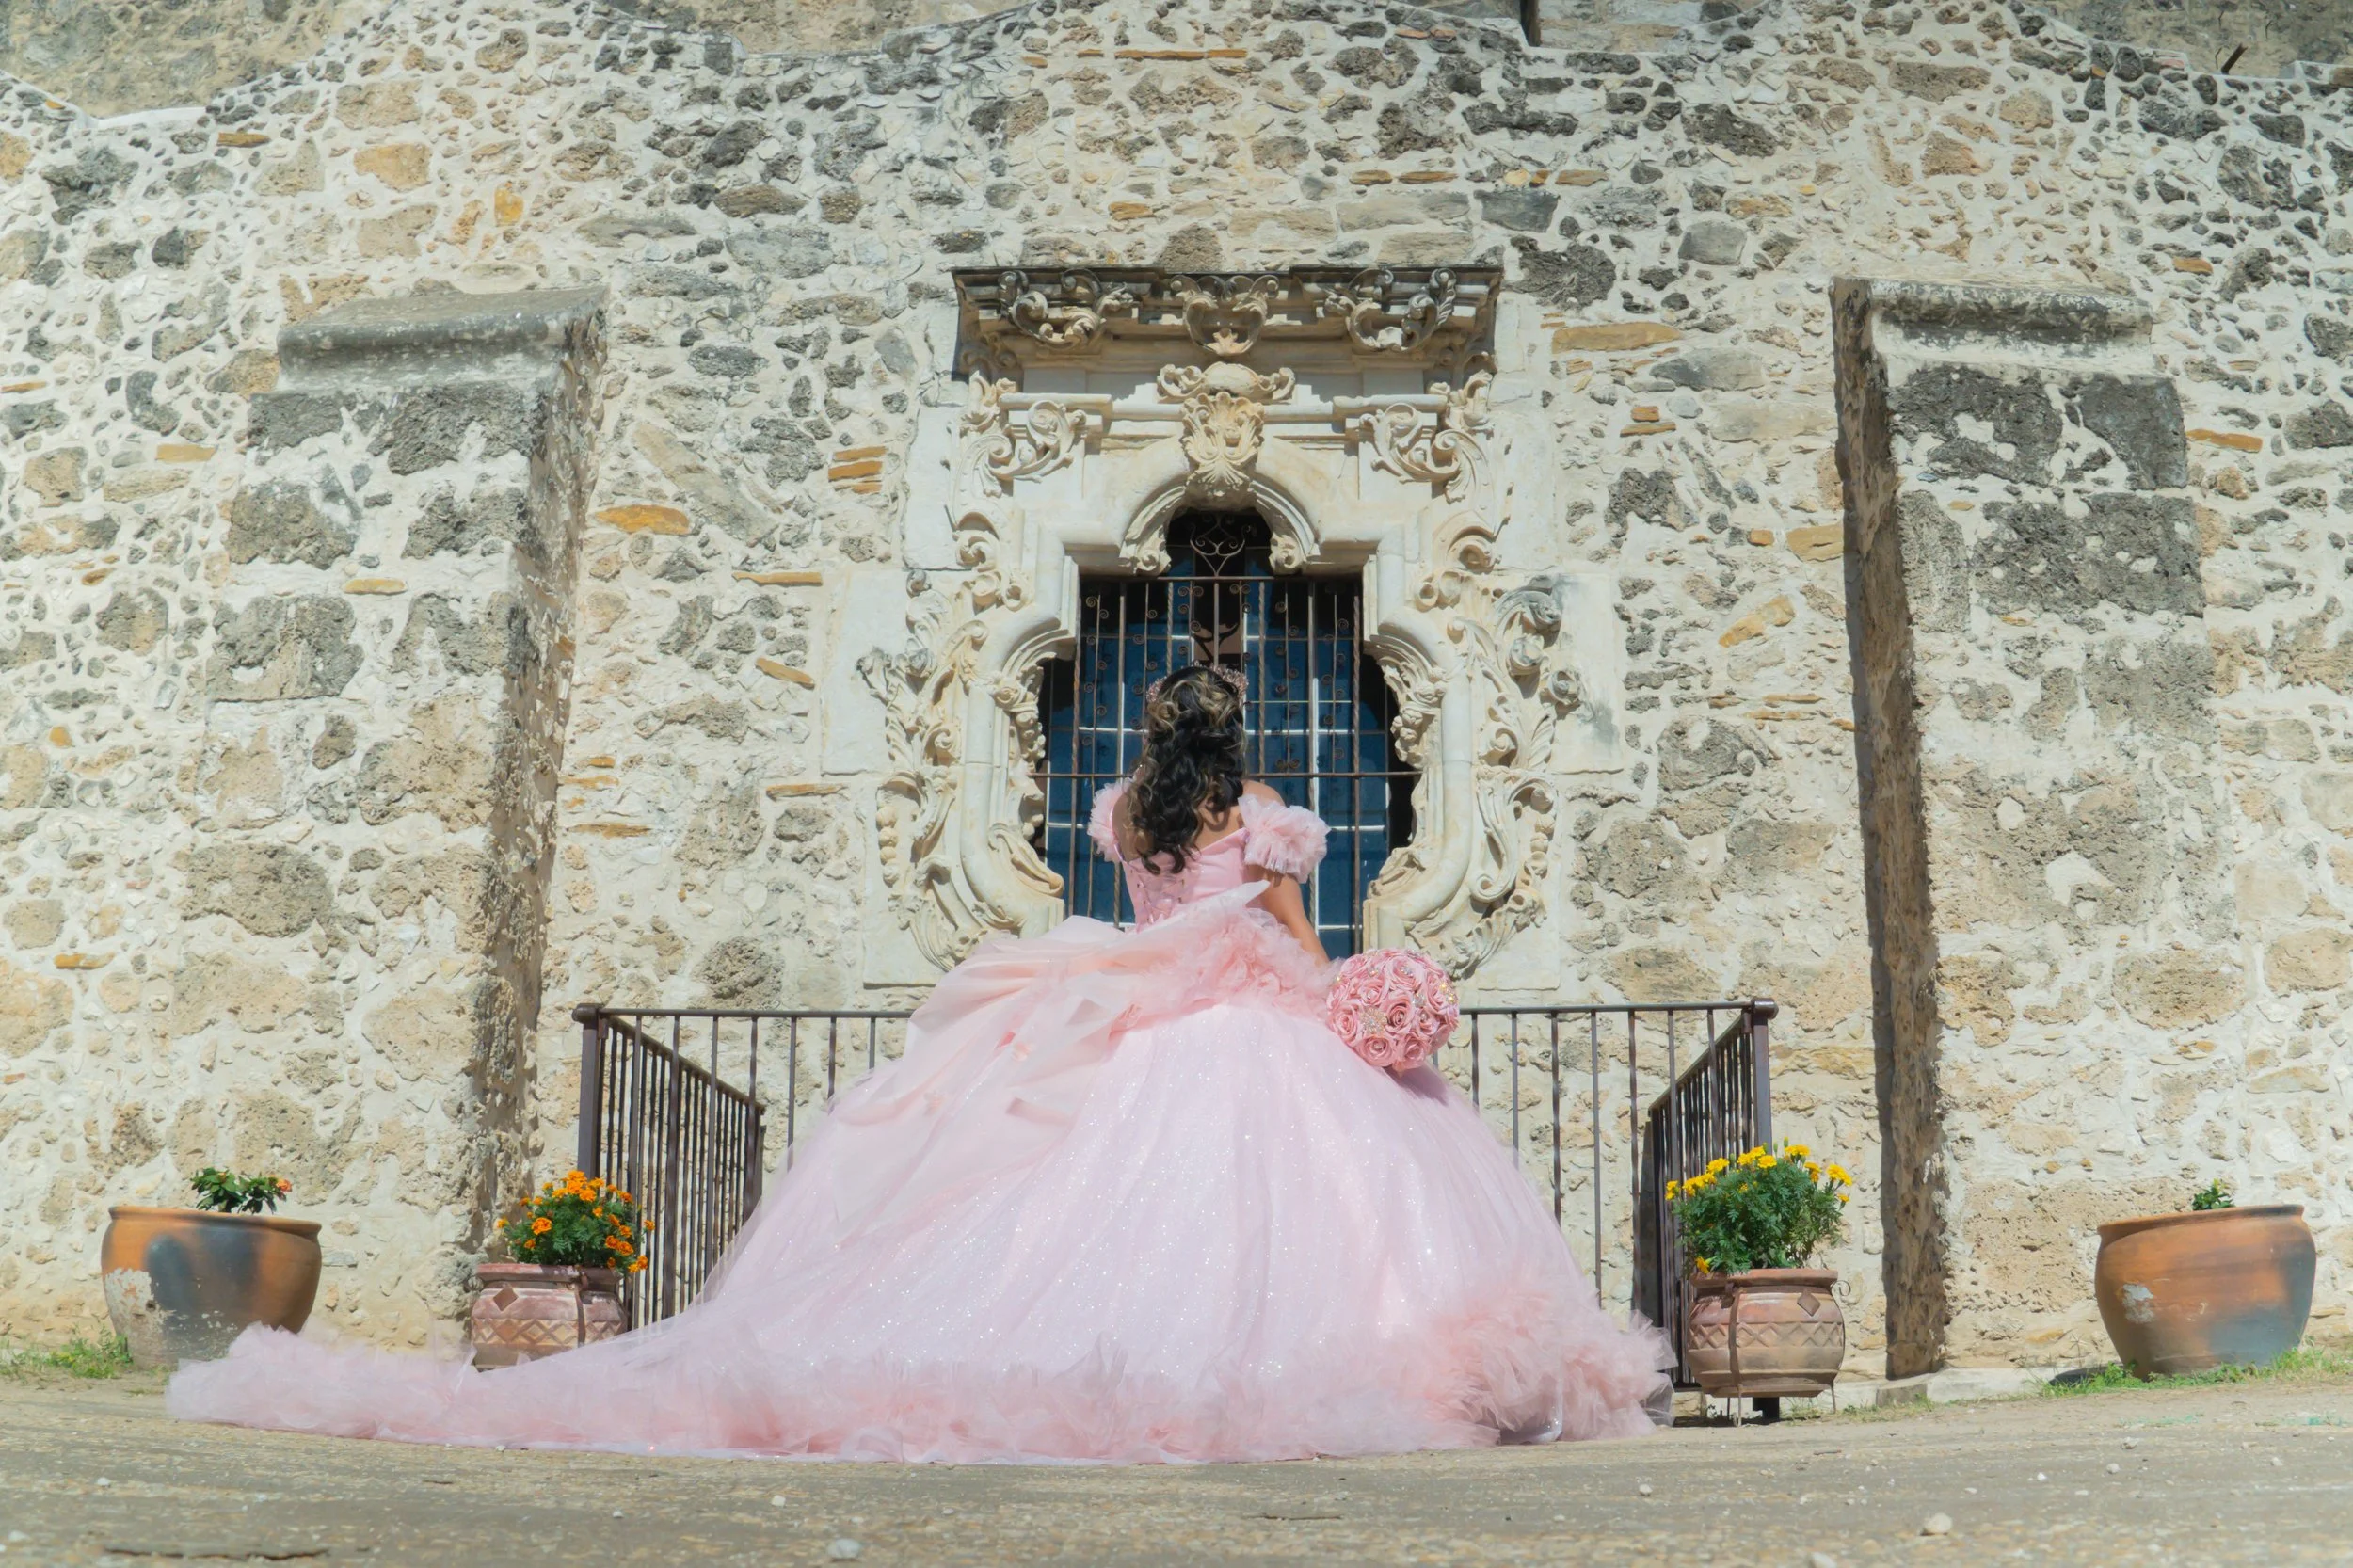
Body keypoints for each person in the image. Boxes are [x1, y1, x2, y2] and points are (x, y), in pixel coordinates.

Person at [168, 664, 1669, 1462]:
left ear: (1157, 741)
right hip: (1255, 1025)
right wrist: (1372, 1016)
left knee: (1073, 1203)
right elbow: (1305, 941)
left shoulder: (1123, 813)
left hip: (1130, 1017)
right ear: (1244, 745)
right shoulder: (1266, 820)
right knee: (1310, 1215)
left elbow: (1143, 918)